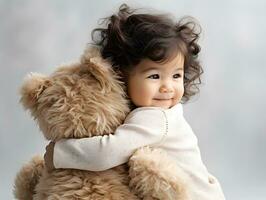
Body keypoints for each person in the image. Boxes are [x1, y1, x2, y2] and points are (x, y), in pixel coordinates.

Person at [44, 4, 225, 199]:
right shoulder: (161, 113)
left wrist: (59, 153)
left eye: (176, 75)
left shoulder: (155, 117)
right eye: (154, 76)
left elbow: (109, 152)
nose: (168, 87)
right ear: (122, 75)